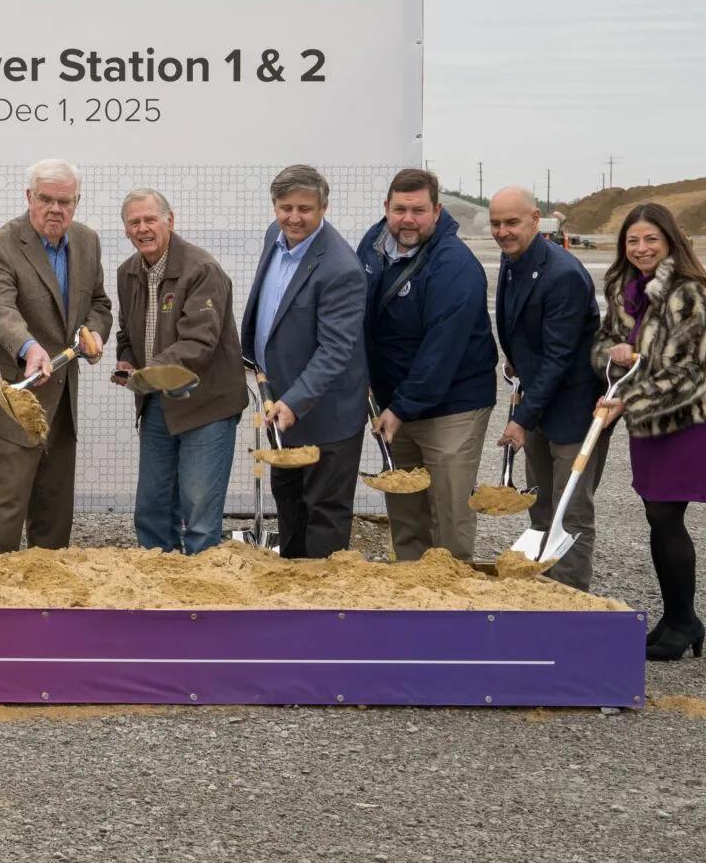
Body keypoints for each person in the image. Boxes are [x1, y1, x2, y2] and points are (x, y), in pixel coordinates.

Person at [593, 203, 706, 661]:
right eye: (632, 241)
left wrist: (626, 403)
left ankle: (683, 622)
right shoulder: (623, 287)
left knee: (666, 515)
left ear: (671, 241)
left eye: (651, 240)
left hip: (692, 416)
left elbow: (692, 372)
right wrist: (611, 355)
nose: (641, 249)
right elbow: (604, 340)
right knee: (656, 512)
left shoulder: (693, 294)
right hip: (649, 415)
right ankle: (677, 618)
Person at [0, 158, 112, 553]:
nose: (55, 209)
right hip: (11, 395)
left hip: (60, 401)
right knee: (5, 520)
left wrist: (95, 330)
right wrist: (29, 348)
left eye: (66, 201)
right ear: (29, 197)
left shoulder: (87, 241)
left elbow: (99, 302)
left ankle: (47, 610)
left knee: (54, 519)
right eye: (46, 199)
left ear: (76, 202)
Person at [357, 168, 498, 563]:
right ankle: (410, 594)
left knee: (449, 513)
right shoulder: (372, 245)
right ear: (386, 208)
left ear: (436, 211)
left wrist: (401, 407)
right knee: (405, 509)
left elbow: (442, 350)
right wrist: (365, 381)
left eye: (418, 210)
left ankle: (452, 608)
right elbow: (359, 315)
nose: (408, 219)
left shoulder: (454, 265)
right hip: (395, 401)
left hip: (451, 406)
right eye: (399, 208)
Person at [240, 165, 368, 559]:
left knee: (324, 515)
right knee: (290, 506)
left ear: (324, 207)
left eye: (305, 209)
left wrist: (295, 401)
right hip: (281, 406)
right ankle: (291, 598)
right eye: (285, 207)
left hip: (324, 416)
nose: (294, 218)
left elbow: (335, 350)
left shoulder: (341, 269)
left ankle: (326, 611)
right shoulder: (274, 236)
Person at [109, 188, 244, 553]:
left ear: (171, 220)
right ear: (125, 230)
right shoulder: (128, 273)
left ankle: (201, 601)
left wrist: (148, 371)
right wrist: (126, 362)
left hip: (207, 405)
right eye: (134, 222)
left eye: (150, 219)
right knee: (151, 510)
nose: (143, 228)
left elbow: (199, 341)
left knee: (198, 512)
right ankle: (161, 598)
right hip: (157, 404)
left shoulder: (202, 270)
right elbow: (126, 332)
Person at [488, 187, 606, 590]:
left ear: (536, 220)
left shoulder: (564, 275)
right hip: (538, 404)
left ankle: (570, 604)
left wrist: (521, 419)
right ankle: (544, 589)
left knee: (569, 516)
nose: (503, 231)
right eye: (496, 223)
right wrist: (517, 360)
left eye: (512, 222)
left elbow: (559, 358)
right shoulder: (512, 260)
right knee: (540, 509)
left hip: (573, 413)